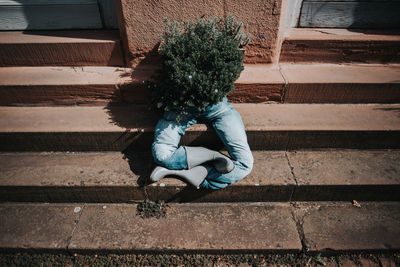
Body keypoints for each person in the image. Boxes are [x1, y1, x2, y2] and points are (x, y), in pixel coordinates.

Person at [149, 96, 253, 189]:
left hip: (217, 105)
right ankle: (211, 157)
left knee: (245, 165)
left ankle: (183, 172)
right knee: (162, 157)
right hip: (180, 107)